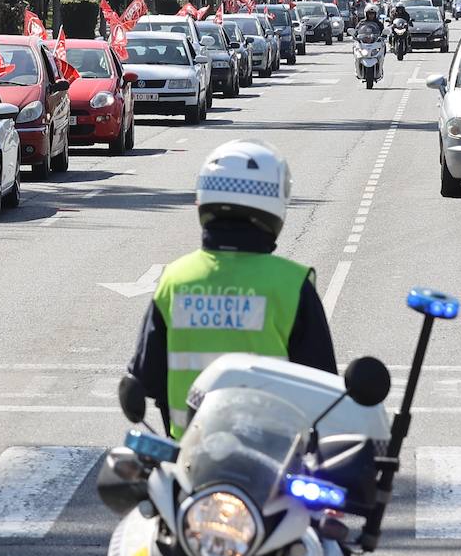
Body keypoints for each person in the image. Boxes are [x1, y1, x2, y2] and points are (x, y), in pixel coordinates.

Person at [127, 140, 338, 435]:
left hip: (187, 460)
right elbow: (322, 386)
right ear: (274, 202)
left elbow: (146, 378)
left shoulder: (174, 280)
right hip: (273, 458)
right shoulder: (292, 284)